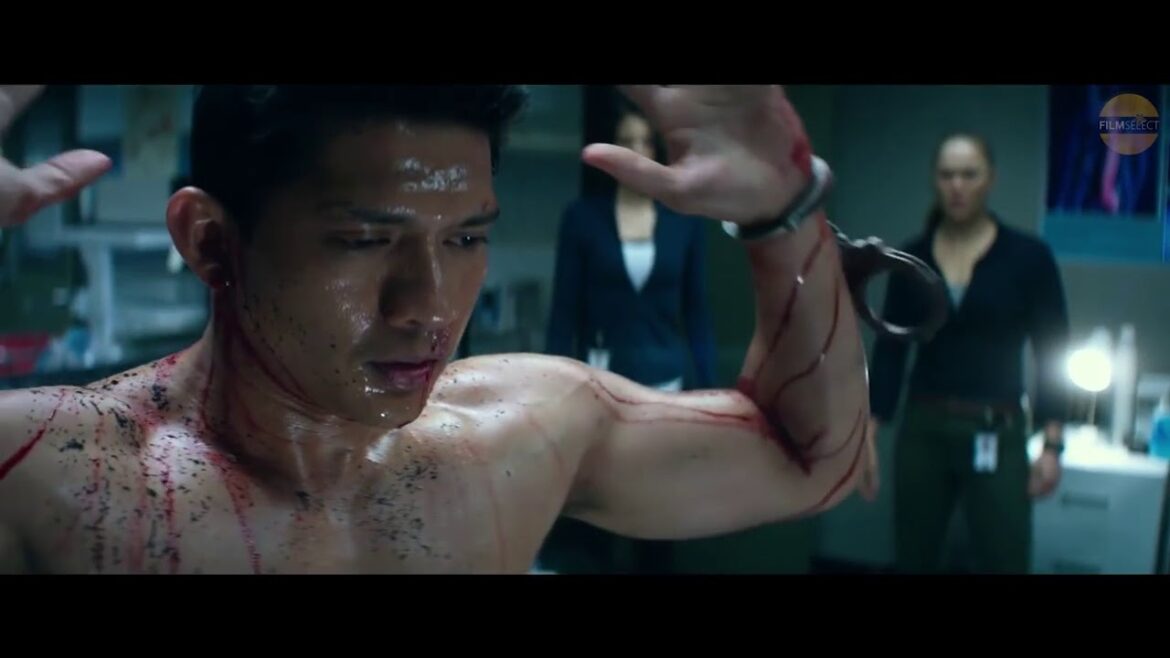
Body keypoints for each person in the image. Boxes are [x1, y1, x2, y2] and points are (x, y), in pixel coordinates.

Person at [0, 84, 870, 574]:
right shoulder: (53, 478)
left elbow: (813, 461)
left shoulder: (513, 435)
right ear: (211, 242)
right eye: (364, 240)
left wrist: (784, 213)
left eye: (465, 239)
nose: (429, 304)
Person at [864, 132, 1069, 574]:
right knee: (913, 555)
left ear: (990, 179)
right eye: (947, 175)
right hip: (925, 427)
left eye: (969, 175)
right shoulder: (912, 258)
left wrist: (1053, 444)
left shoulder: (1028, 257)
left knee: (1005, 555)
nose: (957, 186)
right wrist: (868, 435)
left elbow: (1053, 350)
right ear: (934, 180)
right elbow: (890, 348)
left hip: (997, 426)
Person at [540, 100, 717, 573]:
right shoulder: (582, 218)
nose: (636, 151)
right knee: (598, 517)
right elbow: (563, 313)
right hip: (601, 387)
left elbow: (697, 313)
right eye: (626, 141)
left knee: (658, 521)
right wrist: (549, 395)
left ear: (656, 151)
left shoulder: (684, 223)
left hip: (666, 391)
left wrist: (713, 393)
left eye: (644, 142)